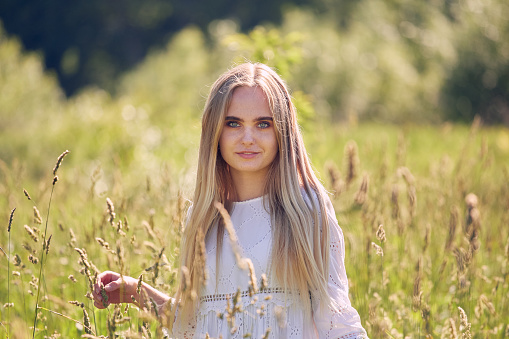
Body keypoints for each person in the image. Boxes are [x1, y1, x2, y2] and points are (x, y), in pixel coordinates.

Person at [93, 63, 368, 338]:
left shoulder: (305, 208)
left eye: (263, 124)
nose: (247, 139)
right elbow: (197, 324)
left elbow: (338, 322)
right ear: (215, 131)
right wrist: (135, 291)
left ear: (282, 132)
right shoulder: (202, 217)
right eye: (233, 123)